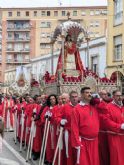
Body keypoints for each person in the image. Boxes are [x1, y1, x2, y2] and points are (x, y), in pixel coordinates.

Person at [71, 87, 100, 165]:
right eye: (87, 92)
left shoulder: (95, 107)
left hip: (94, 140)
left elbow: (105, 109)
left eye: (90, 93)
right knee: (84, 162)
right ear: (82, 94)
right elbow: (74, 127)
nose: (89, 94)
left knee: (94, 161)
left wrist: (98, 99)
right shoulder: (77, 109)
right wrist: (76, 142)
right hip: (83, 141)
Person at [103, 90, 124, 165]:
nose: (120, 98)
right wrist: (120, 126)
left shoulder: (122, 106)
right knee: (116, 157)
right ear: (113, 97)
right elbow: (106, 121)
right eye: (117, 96)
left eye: (120, 96)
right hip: (114, 136)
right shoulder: (108, 107)